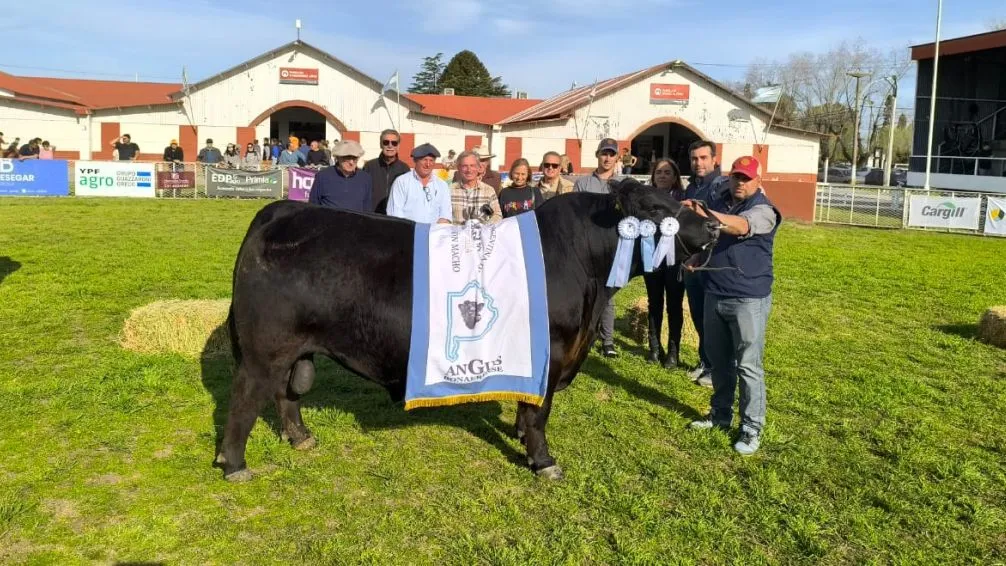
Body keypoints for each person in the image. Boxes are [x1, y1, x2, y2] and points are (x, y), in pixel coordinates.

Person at [685, 156, 781, 456]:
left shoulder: (764, 209)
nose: (740, 182)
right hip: (715, 292)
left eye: (746, 178)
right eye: (736, 177)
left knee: (749, 366)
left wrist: (704, 212)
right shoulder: (723, 202)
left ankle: (752, 427)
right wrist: (697, 258)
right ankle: (720, 415)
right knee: (720, 362)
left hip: (748, 297)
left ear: (758, 180)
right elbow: (716, 239)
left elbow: (740, 228)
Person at [682, 140, 730, 387]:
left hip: (711, 262)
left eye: (703, 158)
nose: (698, 163)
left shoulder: (722, 187)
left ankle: (716, 368)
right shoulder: (691, 187)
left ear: (714, 159)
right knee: (699, 315)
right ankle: (705, 361)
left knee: (713, 319)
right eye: (694, 159)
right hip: (692, 264)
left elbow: (721, 225)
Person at [574, 137, 622, 358]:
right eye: (604, 153)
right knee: (585, 293)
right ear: (597, 155)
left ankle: (608, 340)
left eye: (612, 154)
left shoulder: (623, 184)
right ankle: (586, 337)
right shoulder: (582, 183)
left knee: (607, 294)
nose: (607, 158)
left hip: (613, 246)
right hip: (586, 244)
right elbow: (575, 212)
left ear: (617, 157)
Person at [642, 158, 687, 368]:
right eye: (659, 172)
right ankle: (654, 347)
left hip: (676, 259)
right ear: (653, 176)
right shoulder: (646, 198)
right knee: (654, 302)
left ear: (675, 177)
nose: (662, 175)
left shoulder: (683, 200)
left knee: (674, 305)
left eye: (667, 172)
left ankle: (673, 352)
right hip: (652, 257)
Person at [386, 143, 452, 224]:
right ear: (415, 160)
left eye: (431, 160)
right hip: (408, 234)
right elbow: (395, 214)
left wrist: (435, 231)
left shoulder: (442, 185)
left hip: (433, 234)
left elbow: (446, 214)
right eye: (424, 160)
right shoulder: (402, 182)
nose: (428, 164)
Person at [308, 140, 372, 212]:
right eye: (347, 157)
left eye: (354, 158)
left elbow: (367, 209)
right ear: (338, 157)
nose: (351, 162)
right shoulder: (322, 176)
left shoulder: (365, 178)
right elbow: (313, 206)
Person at [363, 129, 410, 214]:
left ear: (398, 146)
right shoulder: (369, 166)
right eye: (386, 142)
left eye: (394, 143)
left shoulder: (405, 169)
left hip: (395, 218)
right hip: (373, 216)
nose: (390, 146)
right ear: (381, 144)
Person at [450, 150, 502, 224]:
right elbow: (443, 216)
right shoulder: (449, 190)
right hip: (457, 234)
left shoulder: (489, 190)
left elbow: (497, 215)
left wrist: (485, 227)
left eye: (472, 165)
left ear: (478, 167)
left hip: (482, 234)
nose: (469, 170)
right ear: (458, 168)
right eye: (465, 166)